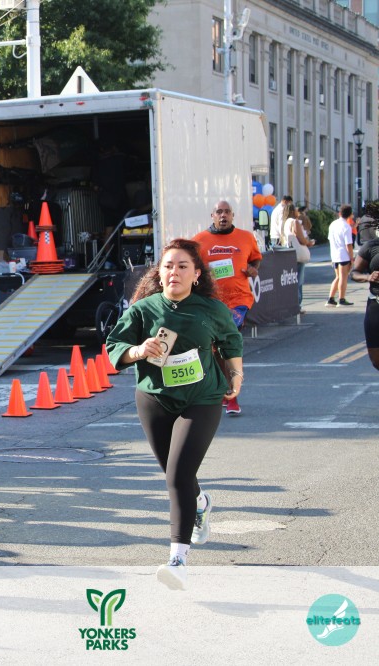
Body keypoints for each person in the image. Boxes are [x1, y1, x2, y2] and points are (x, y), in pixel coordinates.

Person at [106, 238, 243, 590]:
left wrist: (236, 374)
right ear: (159, 273)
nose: (174, 272)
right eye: (168, 266)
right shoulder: (143, 310)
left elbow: (230, 340)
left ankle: (177, 560)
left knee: (178, 475)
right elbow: (114, 346)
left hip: (202, 398)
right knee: (174, 473)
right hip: (154, 399)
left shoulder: (211, 309)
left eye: (183, 266)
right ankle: (200, 502)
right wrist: (139, 350)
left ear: (196, 274)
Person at [191, 200, 260, 416]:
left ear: (233, 215)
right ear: (212, 216)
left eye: (227, 212)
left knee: (227, 345)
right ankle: (223, 390)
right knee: (214, 350)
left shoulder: (246, 237)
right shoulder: (199, 241)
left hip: (238, 302)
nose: (223, 216)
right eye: (219, 212)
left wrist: (252, 269)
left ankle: (231, 395)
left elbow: (255, 259)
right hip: (210, 303)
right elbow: (190, 269)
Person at [351, 236, 379, 372]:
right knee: (375, 359)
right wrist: (368, 277)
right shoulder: (371, 246)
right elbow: (354, 273)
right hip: (376, 303)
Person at [280, 203, 315, 312]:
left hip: (289, 253)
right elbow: (301, 238)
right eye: (296, 210)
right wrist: (309, 243)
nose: (297, 212)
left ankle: (291, 305)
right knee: (298, 280)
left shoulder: (285, 223)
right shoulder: (294, 222)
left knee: (291, 279)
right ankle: (297, 305)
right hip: (298, 254)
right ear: (292, 211)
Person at [327, 205, 356, 307]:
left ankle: (331, 299)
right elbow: (349, 244)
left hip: (334, 254)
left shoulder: (333, 224)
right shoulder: (346, 227)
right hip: (343, 255)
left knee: (338, 277)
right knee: (343, 278)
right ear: (350, 214)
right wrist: (352, 258)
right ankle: (341, 299)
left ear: (340, 213)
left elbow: (330, 239)